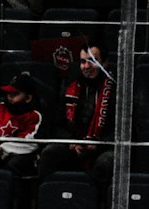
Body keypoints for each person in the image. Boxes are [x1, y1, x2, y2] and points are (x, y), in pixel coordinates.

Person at [38, 44, 115, 186]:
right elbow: (56, 124)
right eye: (83, 62)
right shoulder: (70, 87)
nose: (86, 66)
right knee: (50, 153)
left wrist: (97, 146)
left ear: (105, 63)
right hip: (73, 144)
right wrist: (72, 143)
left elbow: (122, 130)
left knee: (106, 162)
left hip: (102, 146)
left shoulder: (116, 90)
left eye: (92, 61)